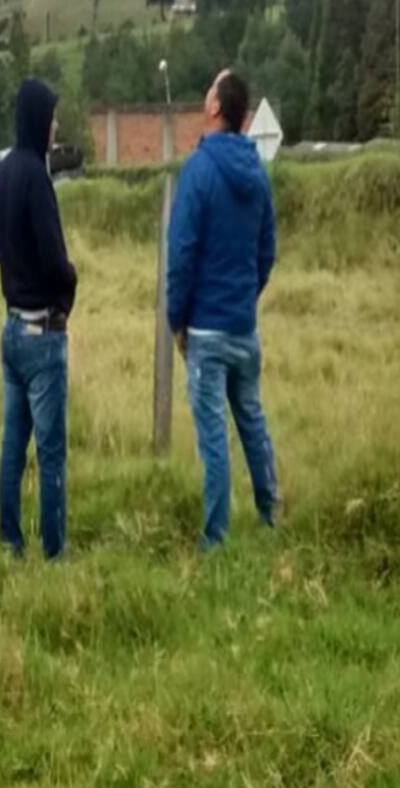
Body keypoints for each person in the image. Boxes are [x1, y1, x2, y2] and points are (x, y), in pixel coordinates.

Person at [167, 69, 279, 549]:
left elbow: (182, 253)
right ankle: (270, 512)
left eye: (208, 87)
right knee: (251, 419)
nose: (204, 93)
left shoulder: (197, 171)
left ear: (216, 107)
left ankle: (214, 539)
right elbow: (266, 250)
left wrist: (178, 320)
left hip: (207, 331)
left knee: (213, 434)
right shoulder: (257, 173)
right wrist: (245, 296)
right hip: (242, 326)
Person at [0, 78, 77, 560]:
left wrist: (15, 267)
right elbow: (55, 258)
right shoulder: (38, 179)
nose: (56, 124)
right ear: (39, 119)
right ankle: (56, 552)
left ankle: (10, 540)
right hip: (42, 333)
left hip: (10, 329)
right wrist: (69, 282)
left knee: (12, 445)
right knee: (52, 451)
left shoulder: (4, 173)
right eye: (53, 116)